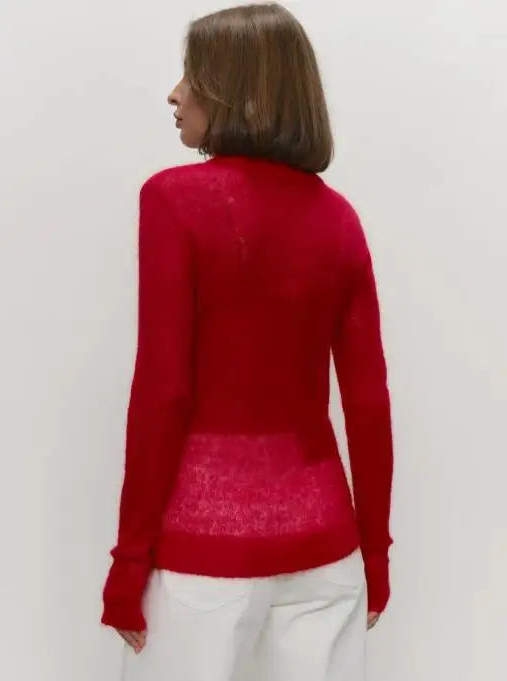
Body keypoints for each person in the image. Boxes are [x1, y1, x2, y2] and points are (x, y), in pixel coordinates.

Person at [100, 3, 394, 680]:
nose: (174, 94)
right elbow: (369, 401)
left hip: (202, 562)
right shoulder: (338, 217)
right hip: (327, 557)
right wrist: (375, 556)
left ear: (235, 86)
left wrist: (129, 561)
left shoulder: (174, 200)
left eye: (192, 75)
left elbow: (164, 390)